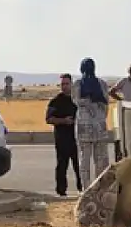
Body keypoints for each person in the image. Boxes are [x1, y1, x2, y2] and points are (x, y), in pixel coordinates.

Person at [71, 58, 113, 186]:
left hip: (83, 126)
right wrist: (100, 117)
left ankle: (86, 188)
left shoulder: (78, 84)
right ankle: (100, 188)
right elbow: (106, 105)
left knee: (84, 159)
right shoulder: (102, 84)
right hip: (99, 126)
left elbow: (75, 101)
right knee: (101, 160)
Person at [45, 73, 81, 196]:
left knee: (79, 166)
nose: (64, 86)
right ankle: (61, 191)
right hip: (62, 139)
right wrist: (63, 121)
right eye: (62, 84)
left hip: (77, 139)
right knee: (62, 166)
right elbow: (49, 119)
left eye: (66, 84)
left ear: (71, 84)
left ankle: (82, 189)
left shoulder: (78, 100)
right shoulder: (55, 102)